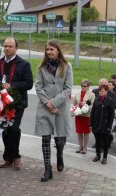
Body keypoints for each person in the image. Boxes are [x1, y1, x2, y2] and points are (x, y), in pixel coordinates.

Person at [0, 37, 33, 171]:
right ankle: (10, 158)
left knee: (14, 129)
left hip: (17, 103)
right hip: (1, 103)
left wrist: (12, 86)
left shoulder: (24, 64)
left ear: (16, 48)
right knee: (5, 130)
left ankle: (15, 157)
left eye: (10, 46)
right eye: (5, 46)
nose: (7, 48)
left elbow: (29, 84)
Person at [35, 39, 73, 182]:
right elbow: (38, 87)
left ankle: (60, 154)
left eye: (52, 49)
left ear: (58, 50)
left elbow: (68, 88)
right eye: (47, 49)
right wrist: (47, 103)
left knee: (60, 138)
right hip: (45, 108)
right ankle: (47, 168)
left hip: (61, 107)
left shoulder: (67, 66)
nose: (49, 52)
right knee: (45, 138)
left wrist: (54, 102)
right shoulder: (42, 68)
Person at [90, 85, 115, 164]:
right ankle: (98, 155)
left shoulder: (110, 101)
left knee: (105, 142)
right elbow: (92, 113)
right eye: (99, 91)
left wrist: (109, 126)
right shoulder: (96, 100)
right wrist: (90, 124)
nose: (100, 92)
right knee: (97, 141)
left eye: (102, 91)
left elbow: (112, 115)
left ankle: (105, 157)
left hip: (106, 125)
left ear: (106, 91)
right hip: (96, 124)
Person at [72, 79, 95, 154]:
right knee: (79, 132)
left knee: (86, 132)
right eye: (81, 86)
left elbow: (93, 105)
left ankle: (85, 147)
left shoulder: (91, 95)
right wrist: (74, 109)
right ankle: (80, 146)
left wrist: (86, 106)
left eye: (84, 86)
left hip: (86, 116)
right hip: (78, 115)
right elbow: (74, 104)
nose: (83, 87)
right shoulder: (77, 94)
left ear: (88, 87)